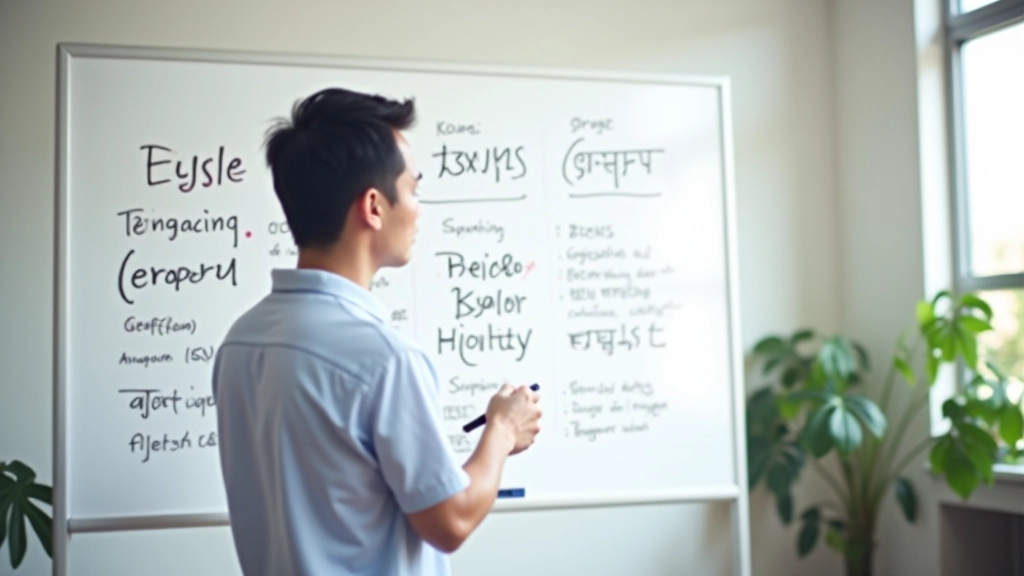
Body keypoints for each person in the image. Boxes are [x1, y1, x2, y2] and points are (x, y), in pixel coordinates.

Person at [211, 87, 543, 576]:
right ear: (373, 205)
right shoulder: (385, 359)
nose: (419, 208)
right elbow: (449, 521)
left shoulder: (241, 341)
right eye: (413, 188)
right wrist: (502, 429)